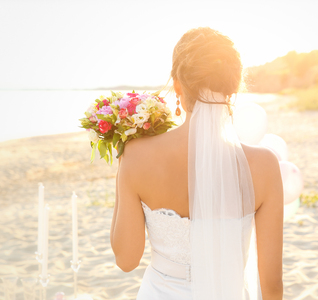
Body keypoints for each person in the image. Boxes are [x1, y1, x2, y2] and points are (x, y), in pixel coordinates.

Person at [110, 27, 283, 299]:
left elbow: (126, 260)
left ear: (177, 85)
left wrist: (125, 163)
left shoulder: (136, 156)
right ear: (234, 86)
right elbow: (272, 285)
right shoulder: (265, 165)